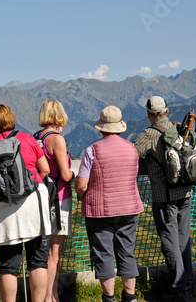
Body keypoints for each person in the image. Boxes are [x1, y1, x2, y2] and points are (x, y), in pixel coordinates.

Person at [0, 103, 52, 302]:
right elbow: (44, 170)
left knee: (9, 265)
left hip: (5, 208)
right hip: (34, 203)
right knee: (38, 262)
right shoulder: (28, 138)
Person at [75, 106, 143, 302]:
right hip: (129, 208)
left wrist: (82, 196)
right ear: (119, 127)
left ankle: (109, 298)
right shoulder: (132, 148)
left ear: (101, 128)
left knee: (103, 254)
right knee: (127, 252)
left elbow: (81, 183)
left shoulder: (92, 150)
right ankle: (130, 297)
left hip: (99, 212)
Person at [133, 96, 193, 302]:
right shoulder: (181, 127)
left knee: (169, 241)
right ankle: (187, 284)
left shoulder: (148, 134)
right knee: (184, 240)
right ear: (167, 112)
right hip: (185, 193)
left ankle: (181, 289)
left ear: (149, 114)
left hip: (163, 196)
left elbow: (131, 155)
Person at [36, 100, 74, 302]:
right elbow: (65, 175)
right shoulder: (57, 139)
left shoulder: (37, 137)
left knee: (42, 252)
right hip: (58, 200)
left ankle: (44, 295)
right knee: (54, 254)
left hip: (41, 198)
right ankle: (51, 296)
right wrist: (75, 172)